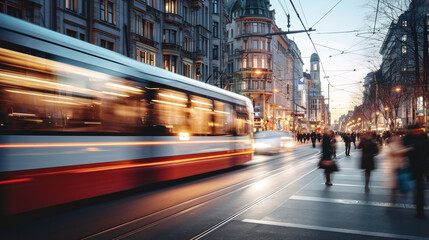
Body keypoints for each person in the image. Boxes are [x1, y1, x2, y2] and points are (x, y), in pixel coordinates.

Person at [403, 125, 429, 219]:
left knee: (419, 188)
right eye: (414, 130)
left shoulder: (423, 138)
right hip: (414, 166)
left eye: (417, 130)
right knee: (419, 188)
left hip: (424, 165)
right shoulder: (407, 139)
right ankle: (419, 209)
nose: (416, 132)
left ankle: (420, 207)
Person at [387, 133, 410, 204]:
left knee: (400, 182)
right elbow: (393, 153)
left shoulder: (402, 145)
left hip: (400, 166)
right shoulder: (392, 146)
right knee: (394, 185)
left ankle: (400, 194)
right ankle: (393, 199)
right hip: (395, 167)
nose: (398, 139)